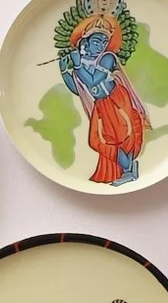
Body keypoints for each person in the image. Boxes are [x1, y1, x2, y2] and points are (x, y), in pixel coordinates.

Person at [59, 16, 150, 186]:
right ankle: (128, 168)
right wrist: (65, 72)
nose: (101, 45)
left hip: (115, 100)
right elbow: (79, 89)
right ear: (85, 42)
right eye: (96, 41)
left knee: (121, 136)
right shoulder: (83, 62)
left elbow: (93, 80)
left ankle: (129, 170)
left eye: (104, 42)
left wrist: (77, 65)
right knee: (97, 141)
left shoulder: (107, 58)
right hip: (100, 105)